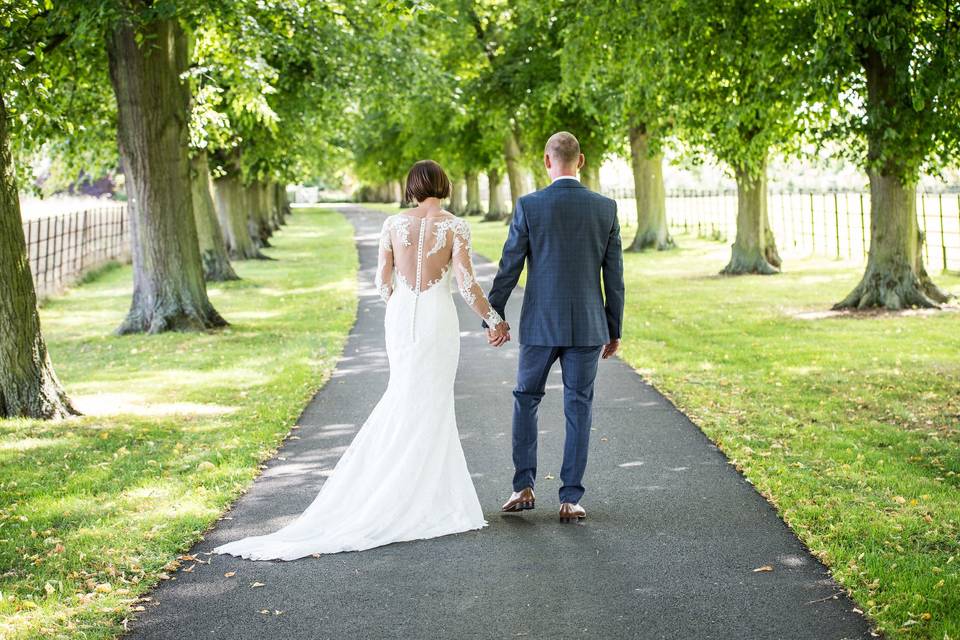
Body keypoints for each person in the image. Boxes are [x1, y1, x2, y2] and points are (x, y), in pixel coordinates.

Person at [214, 160, 509, 560]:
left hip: (401, 317)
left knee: (404, 395)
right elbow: (466, 283)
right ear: (444, 186)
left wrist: (400, 307)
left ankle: (399, 489)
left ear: (411, 187)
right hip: (438, 321)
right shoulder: (456, 226)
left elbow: (381, 280)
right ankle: (425, 497)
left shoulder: (392, 225)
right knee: (432, 403)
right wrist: (493, 320)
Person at [485, 131, 625, 523]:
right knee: (578, 406)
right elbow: (614, 276)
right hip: (587, 326)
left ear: (547, 161)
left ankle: (523, 486)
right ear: (580, 161)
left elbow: (509, 264)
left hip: (540, 326)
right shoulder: (605, 208)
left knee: (525, 399)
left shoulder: (530, 205)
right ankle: (570, 498)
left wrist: (493, 315)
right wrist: (614, 328)